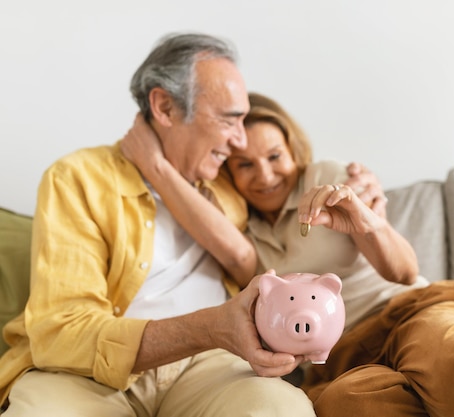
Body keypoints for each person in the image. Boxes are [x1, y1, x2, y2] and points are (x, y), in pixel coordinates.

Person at [121, 91, 454, 417]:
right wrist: (155, 163)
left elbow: (404, 270)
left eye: (274, 156)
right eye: (245, 165)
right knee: (346, 407)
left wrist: (365, 219)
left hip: (412, 313)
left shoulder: (328, 181)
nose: (265, 174)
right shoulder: (236, 228)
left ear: (293, 150)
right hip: (338, 361)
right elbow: (231, 252)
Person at [0, 33, 320, 416]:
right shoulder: (79, 177)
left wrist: (354, 186)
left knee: (277, 410)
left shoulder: (231, 181)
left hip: (212, 366)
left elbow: (293, 190)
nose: (239, 142)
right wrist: (210, 326)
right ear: (165, 106)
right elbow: (61, 331)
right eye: (229, 119)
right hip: (87, 375)